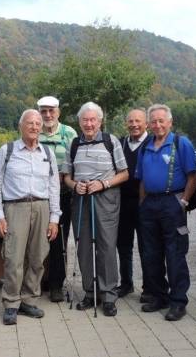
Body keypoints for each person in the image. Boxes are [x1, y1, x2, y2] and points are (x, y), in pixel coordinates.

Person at [0, 109, 61, 325]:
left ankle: (29, 300)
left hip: (42, 207)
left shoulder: (47, 153)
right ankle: (11, 303)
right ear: (20, 127)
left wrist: (54, 218)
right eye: (29, 123)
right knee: (13, 258)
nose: (34, 127)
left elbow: (54, 186)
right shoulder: (7, 150)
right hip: (15, 208)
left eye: (37, 124)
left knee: (39, 257)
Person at [62, 102, 129, 317]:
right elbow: (66, 176)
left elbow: (124, 173)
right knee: (83, 247)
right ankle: (89, 293)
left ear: (100, 121)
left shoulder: (111, 141)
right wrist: (75, 185)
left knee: (107, 246)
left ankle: (108, 295)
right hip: (81, 198)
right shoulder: (73, 144)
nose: (89, 124)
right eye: (85, 120)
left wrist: (104, 184)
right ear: (80, 122)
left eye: (93, 120)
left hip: (106, 197)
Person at [136, 104, 196, 322]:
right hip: (150, 204)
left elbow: (193, 176)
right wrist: (142, 203)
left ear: (170, 122)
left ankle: (178, 301)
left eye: (161, 120)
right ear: (149, 124)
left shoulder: (181, 143)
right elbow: (142, 178)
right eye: (153, 121)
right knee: (151, 253)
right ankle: (159, 296)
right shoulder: (146, 146)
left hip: (173, 202)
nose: (157, 125)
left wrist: (183, 202)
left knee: (175, 253)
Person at [37, 96, 78, 303]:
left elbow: (76, 162)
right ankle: (39, 281)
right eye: (43, 111)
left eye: (51, 111)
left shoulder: (69, 133)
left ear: (58, 112)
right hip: (37, 197)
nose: (47, 115)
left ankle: (56, 285)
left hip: (62, 195)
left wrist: (65, 174)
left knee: (59, 240)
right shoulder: (34, 130)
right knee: (36, 239)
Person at [117, 109, 153, 302]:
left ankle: (148, 287)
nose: (134, 125)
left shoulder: (152, 142)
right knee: (123, 245)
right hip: (122, 202)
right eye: (130, 121)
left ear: (146, 123)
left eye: (138, 121)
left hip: (145, 203)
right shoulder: (121, 143)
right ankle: (126, 283)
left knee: (146, 246)